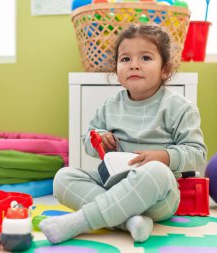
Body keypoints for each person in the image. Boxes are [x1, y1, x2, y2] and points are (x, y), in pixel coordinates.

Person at [40, 24, 207, 244]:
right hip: (113, 184)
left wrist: (164, 156)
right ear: (116, 69)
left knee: (155, 170)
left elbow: (198, 153)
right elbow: (88, 139)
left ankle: (81, 221)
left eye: (146, 58)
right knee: (63, 178)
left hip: (157, 195)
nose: (134, 65)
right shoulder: (111, 105)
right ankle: (130, 221)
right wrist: (99, 139)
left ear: (165, 70)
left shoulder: (180, 107)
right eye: (125, 59)